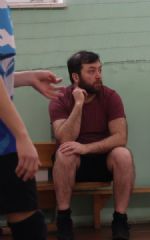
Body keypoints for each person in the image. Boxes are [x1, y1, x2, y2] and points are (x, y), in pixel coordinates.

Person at [0, 0, 63, 240]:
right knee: (29, 224)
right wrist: (23, 136)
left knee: (27, 218)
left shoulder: (3, 4)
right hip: (6, 138)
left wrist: (24, 78)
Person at [49, 51, 135, 240]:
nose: (98, 75)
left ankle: (120, 220)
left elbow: (120, 137)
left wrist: (86, 148)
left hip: (103, 160)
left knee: (123, 154)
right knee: (64, 153)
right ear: (75, 77)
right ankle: (64, 220)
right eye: (91, 71)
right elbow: (65, 138)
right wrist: (78, 104)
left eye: (100, 70)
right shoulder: (60, 99)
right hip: (74, 162)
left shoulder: (111, 96)